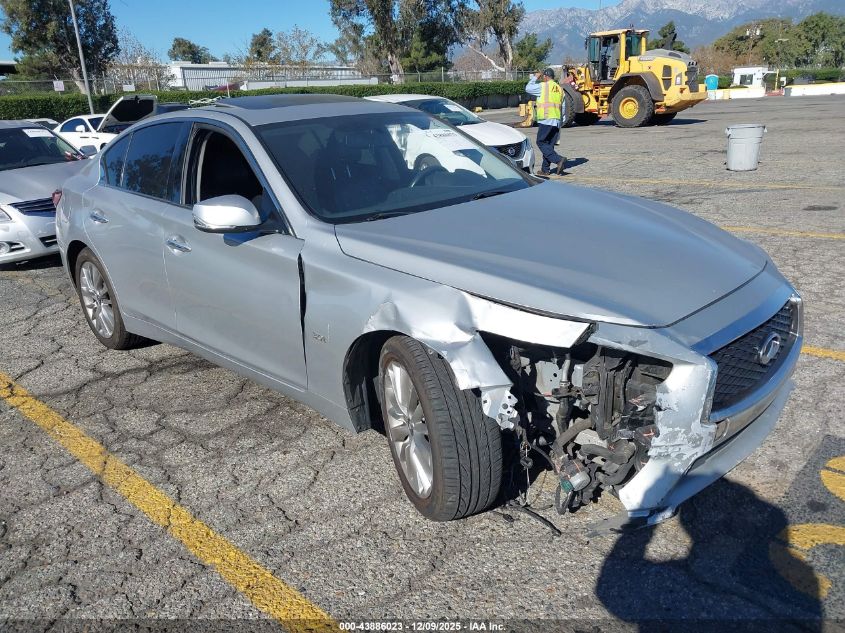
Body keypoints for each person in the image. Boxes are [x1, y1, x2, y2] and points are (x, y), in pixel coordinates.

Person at [525, 68, 567, 176]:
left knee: (541, 142)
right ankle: (545, 170)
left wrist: (535, 77)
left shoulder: (543, 86)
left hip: (546, 119)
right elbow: (563, 107)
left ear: (545, 77)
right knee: (549, 145)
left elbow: (528, 88)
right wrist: (561, 120)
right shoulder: (559, 88)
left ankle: (558, 160)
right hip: (557, 121)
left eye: (543, 77)